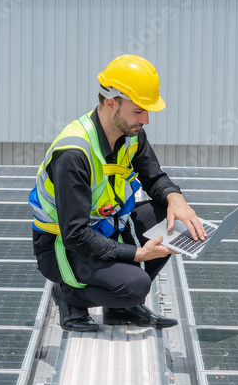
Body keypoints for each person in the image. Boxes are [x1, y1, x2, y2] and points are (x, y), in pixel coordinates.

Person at [29, 54, 206, 332]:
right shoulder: (74, 153)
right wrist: (135, 254)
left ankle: (119, 309)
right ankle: (69, 296)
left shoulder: (132, 133)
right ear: (111, 103)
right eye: (138, 111)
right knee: (136, 286)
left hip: (104, 228)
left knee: (173, 220)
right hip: (63, 245)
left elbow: (154, 177)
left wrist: (176, 199)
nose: (146, 119)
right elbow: (74, 234)